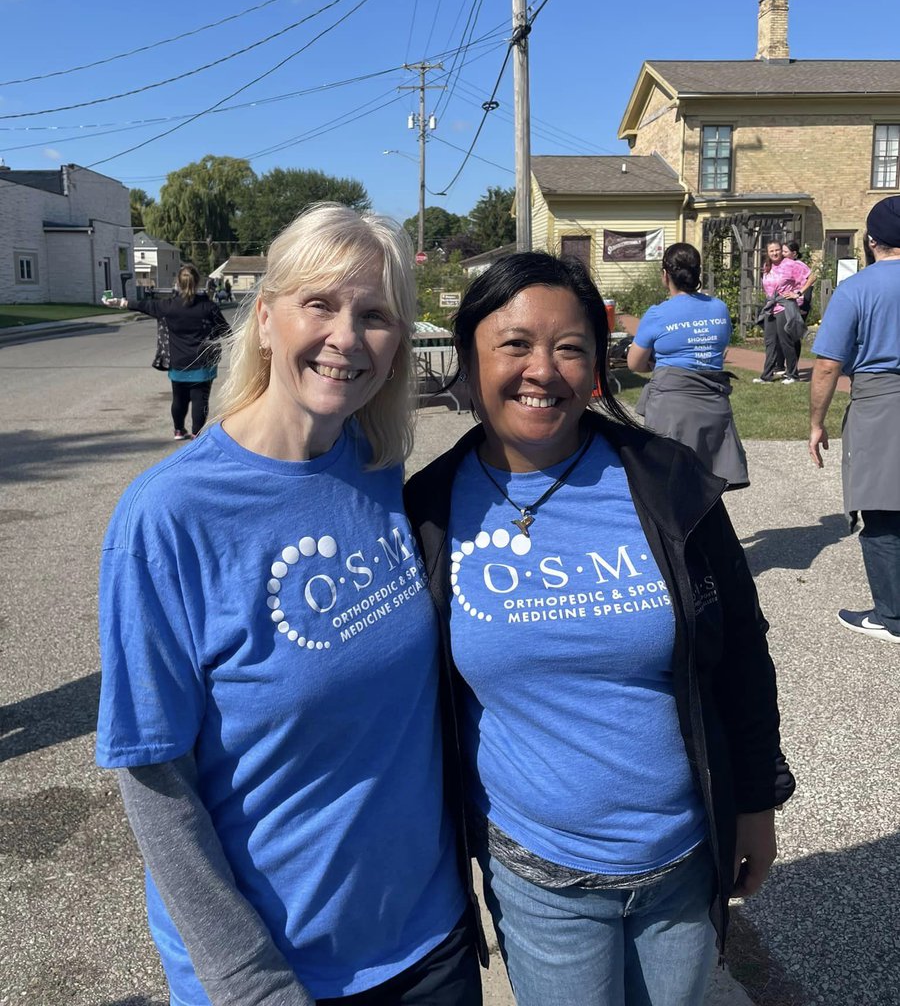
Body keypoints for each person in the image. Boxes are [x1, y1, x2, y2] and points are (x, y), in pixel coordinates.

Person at [96, 205, 482, 1006]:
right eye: (321, 304)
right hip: (276, 969)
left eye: (375, 315)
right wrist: (247, 980)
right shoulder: (169, 515)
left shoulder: (375, 465)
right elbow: (153, 774)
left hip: (427, 940)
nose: (347, 336)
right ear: (266, 318)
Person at [404, 252, 794, 1006]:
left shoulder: (670, 482)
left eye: (570, 347)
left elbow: (743, 655)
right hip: (540, 875)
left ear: (598, 366)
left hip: (682, 862)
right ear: (469, 355)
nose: (542, 370)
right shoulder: (429, 510)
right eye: (514, 343)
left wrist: (755, 805)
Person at [809, 196, 900, 644]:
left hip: (881, 401)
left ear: (870, 240)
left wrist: (816, 422)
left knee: (882, 506)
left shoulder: (857, 289)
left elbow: (827, 365)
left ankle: (892, 617)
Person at [627, 242, 748, 489]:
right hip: (714, 404)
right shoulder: (719, 308)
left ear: (665, 275)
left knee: (672, 485)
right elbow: (720, 349)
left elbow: (634, 363)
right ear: (697, 273)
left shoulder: (657, 314)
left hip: (673, 409)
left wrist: (656, 364)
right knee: (709, 483)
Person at [102, 265, 230, 440]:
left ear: (178, 282)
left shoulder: (168, 306)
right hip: (203, 365)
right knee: (200, 400)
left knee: (179, 399)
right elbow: (226, 331)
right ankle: (196, 434)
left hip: (178, 364)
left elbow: (144, 305)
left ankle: (178, 430)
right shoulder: (208, 307)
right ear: (198, 282)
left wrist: (119, 302)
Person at [753, 241, 808, 384]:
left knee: (785, 341)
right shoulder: (767, 266)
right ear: (768, 252)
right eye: (771, 251)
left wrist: (798, 292)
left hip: (784, 306)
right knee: (770, 342)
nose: (775, 253)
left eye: (777, 250)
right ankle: (767, 376)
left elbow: (811, 276)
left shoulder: (791, 264)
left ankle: (792, 374)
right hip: (771, 307)